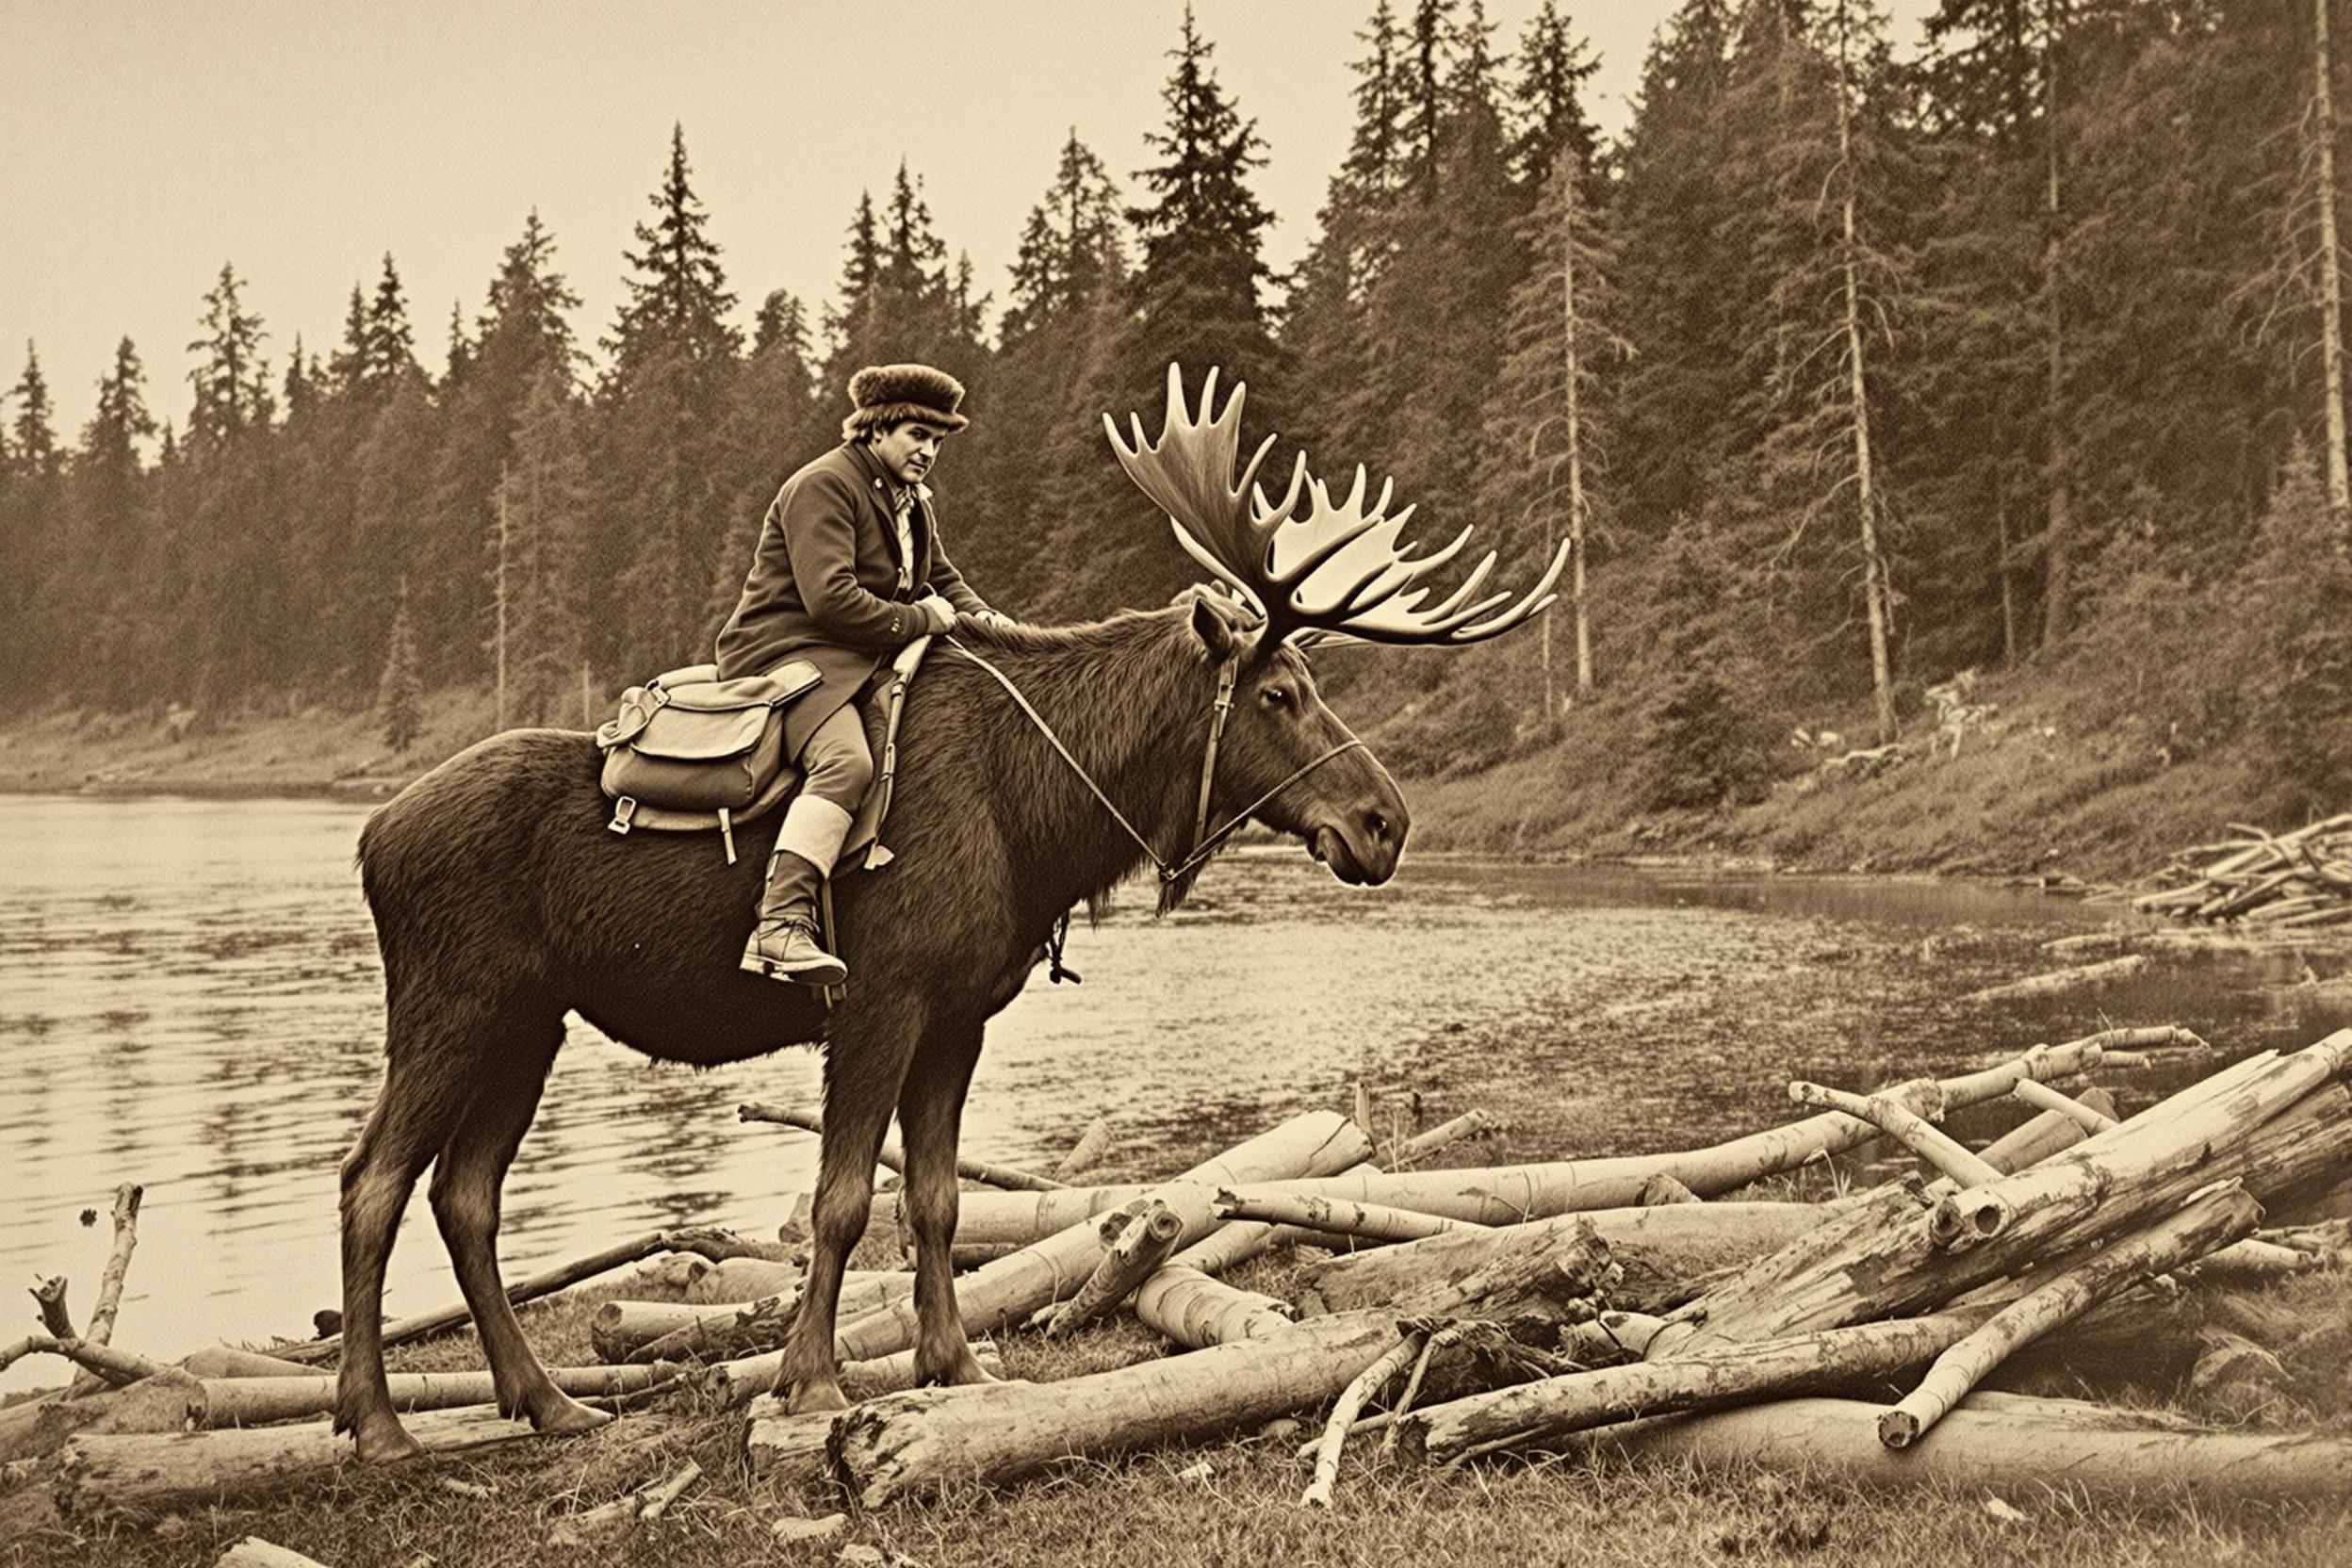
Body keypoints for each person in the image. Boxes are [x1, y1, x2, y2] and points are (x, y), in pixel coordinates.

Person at [715, 363, 1000, 987]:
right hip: (788, 654)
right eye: (917, 435)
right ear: (874, 429)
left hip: (857, 657)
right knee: (849, 764)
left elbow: (939, 577)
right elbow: (830, 600)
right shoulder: (824, 485)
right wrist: (924, 618)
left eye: (939, 441)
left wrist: (988, 623)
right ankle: (781, 923)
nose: (929, 451)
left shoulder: (910, 501)